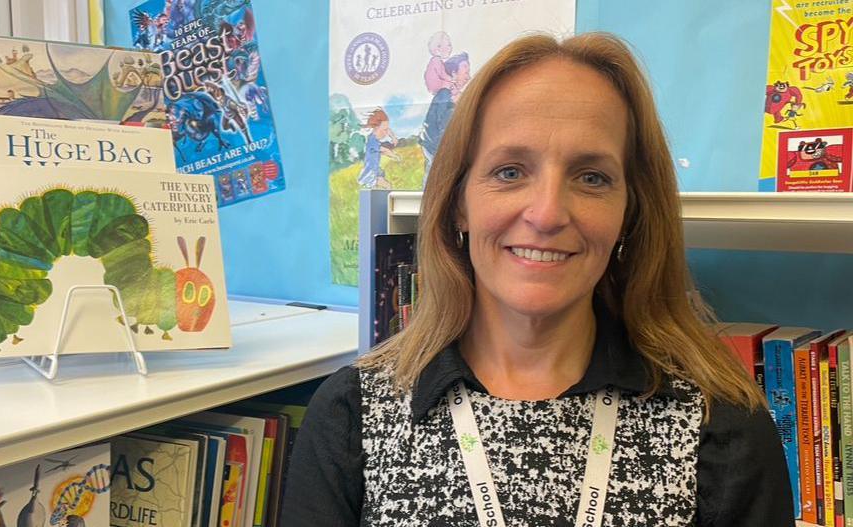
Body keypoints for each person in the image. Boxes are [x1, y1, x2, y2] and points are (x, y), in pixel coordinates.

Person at [282, 32, 792, 526]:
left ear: (629, 211)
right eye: (509, 171)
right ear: (458, 201)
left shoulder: (720, 429)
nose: (547, 214)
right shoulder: (352, 416)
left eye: (591, 177)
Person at [421, 52, 470, 183]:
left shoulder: (452, 96)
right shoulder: (445, 96)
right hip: (437, 152)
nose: (468, 77)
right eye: (465, 72)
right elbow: (445, 129)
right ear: (453, 73)